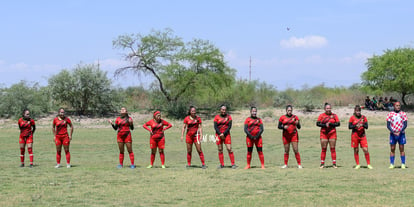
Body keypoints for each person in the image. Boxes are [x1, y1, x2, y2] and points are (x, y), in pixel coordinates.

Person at [316, 103, 340, 168]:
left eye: (329, 108)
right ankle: (322, 164)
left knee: (332, 148)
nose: (328, 109)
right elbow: (317, 124)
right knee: (324, 149)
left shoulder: (334, 115)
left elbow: (338, 124)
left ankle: (334, 164)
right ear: (324, 109)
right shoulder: (321, 115)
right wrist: (324, 125)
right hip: (324, 133)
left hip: (332, 133)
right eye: (327, 108)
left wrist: (331, 124)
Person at [348, 105, 372, 169]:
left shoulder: (363, 117)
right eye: (357, 111)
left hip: (362, 136)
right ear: (355, 111)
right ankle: (358, 164)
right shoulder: (352, 118)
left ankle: (368, 164)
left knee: (365, 149)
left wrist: (362, 125)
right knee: (356, 150)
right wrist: (356, 126)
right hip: (355, 135)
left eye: (359, 111)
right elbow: (349, 127)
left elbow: (366, 126)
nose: (358, 112)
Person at [214, 105, 237, 169]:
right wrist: (220, 134)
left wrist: (223, 134)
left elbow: (229, 126)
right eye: (222, 109)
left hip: (226, 135)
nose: (223, 111)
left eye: (225, 110)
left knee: (229, 149)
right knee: (220, 149)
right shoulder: (216, 117)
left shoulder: (229, 117)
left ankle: (233, 164)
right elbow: (215, 127)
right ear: (220, 110)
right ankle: (222, 164)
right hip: (218, 135)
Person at [387, 102, 408, 169]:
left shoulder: (403, 114)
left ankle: (403, 164)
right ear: (394, 106)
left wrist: (400, 131)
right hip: (393, 134)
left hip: (401, 134)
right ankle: (392, 164)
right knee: (392, 149)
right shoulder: (390, 114)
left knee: (401, 148)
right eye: (396, 105)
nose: (398, 107)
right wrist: (393, 132)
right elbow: (388, 125)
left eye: (399, 105)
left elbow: (405, 125)